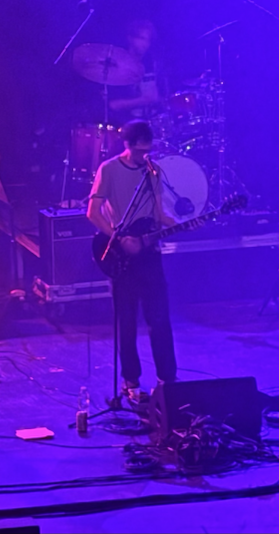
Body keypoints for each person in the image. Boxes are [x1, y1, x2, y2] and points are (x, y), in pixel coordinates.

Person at [86, 119, 178, 400]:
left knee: (159, 318)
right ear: (127, 146)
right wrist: (117, 236)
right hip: (122, 253)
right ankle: (131, 382)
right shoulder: (110, 169)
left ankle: (167, 380)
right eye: (138, 152)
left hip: (150, 253)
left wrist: (177, 223)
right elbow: (92, 212)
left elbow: (159, 213)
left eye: (147, 151)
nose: (143, 157)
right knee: (126, 321)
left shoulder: (153, 171)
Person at [108, 20, 163, 121]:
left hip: (153, 119)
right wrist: (145, 100)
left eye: (148, 40)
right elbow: (114, 105)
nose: (145, 44)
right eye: (142, 39)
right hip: (126, 122)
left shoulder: (150, 63)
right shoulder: (117, 65)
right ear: (130, 38)